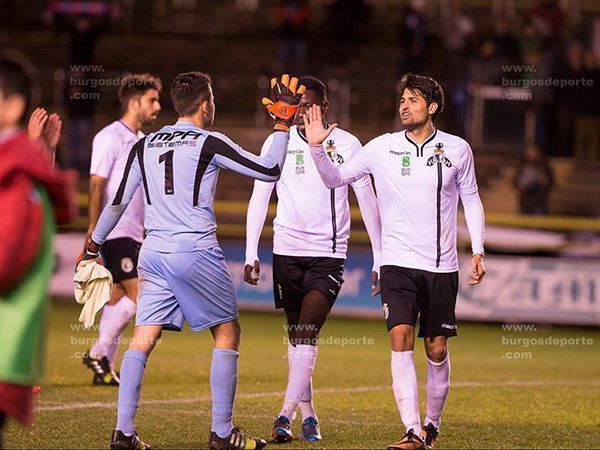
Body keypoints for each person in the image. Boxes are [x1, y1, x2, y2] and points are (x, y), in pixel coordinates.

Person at [78, 72, 304, 450]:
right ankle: (221, 433)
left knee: (142, 338)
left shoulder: (144, 144)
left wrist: (91, 246)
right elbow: (269, 169)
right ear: (205, 104)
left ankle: (124, 433)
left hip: (153, 252)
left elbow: (116, 202)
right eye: (212, 100)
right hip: (195, 250)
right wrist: (282, 125)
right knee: (227, 333)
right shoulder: (208, 142)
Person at [303, 73, 486, 449]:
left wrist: (479, 248)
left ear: (432, 107)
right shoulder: (380, 148)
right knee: (400, 338)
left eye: (413, 100)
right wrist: (318, 148)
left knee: (436, 348)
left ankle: (432, 425)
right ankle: (413, 430)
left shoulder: (457, 149)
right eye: (402, 99)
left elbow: (472, 199)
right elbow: (335, 179)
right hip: (396, 264)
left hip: (441, 266)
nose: (404, 105)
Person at [244, 76, 382, 442]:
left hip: (328, 254)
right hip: (286, 251)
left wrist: (380, 257)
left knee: (307, 332)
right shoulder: (279, 142)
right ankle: (309, 415)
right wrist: (249, 251)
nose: (304, 110)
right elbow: (260, 195)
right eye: (299, 104)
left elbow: (367, 200)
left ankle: (283, 415)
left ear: (325, 107)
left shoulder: (347, 143)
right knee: (296, 338)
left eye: (310, 104)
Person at [0, 51, 75, 449]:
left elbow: (6, 263)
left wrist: (32, 151)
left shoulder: (18, 179)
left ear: (12, 105)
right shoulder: (20, 171)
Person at [82, 73, 162, 386]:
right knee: (142, 296)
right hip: (116, 231)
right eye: (152, 100)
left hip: (135, 231)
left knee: (117, 298)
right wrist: (93, 230)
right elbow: (96, 182)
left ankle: (104, 366)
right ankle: (98, 352)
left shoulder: (142, 142)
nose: (157, 106)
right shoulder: (109, 137)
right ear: (134, 102)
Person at [514, 143, 554, 215]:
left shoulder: (544, 167)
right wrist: (521, 187)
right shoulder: (522, 167)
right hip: (525, 202)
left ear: (538, 153)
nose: (531, 154)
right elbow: (516, 182)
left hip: (539, 202)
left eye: (533, 151)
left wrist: (540, 184)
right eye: (529, 151)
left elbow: (550, 182)